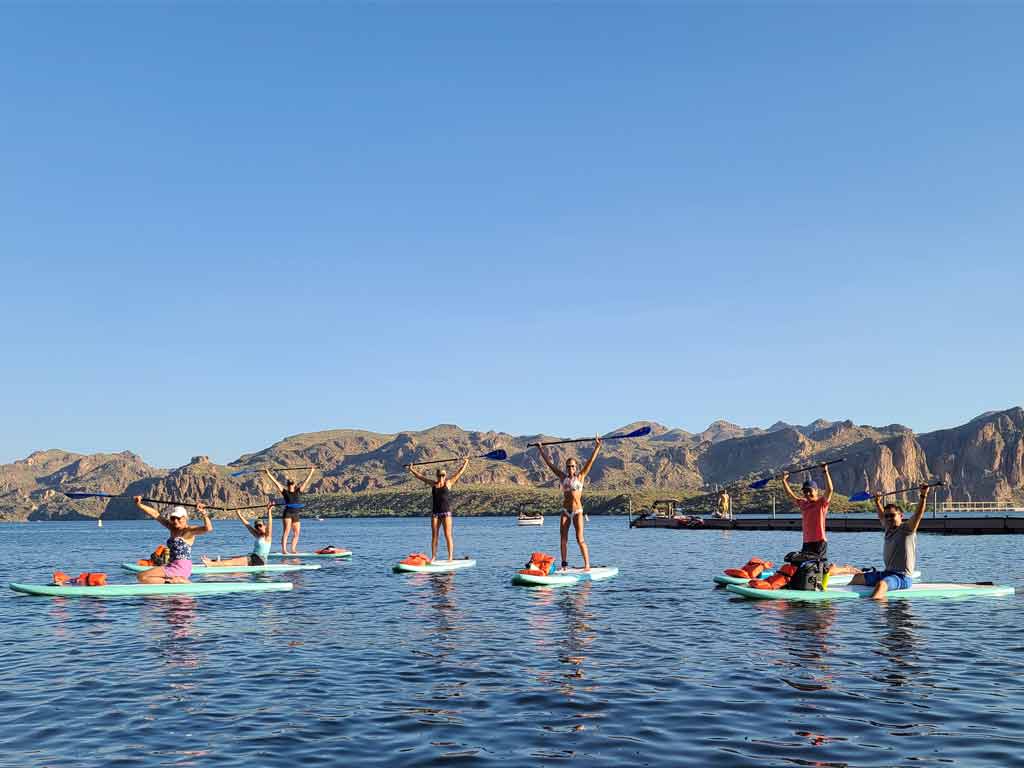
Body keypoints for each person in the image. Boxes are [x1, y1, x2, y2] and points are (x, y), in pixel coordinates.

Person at [843, 484, 930, 599]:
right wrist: (877, 502)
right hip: (887, 573)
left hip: (902, 577)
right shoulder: (888, 528)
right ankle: (845, 598)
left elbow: (918, 514)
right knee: (857, 577)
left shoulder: (907, 529)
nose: (888, 518)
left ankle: (877, 611)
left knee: (882, 585)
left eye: (892, 515)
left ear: (901, 516)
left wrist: (923, 495)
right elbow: (881, 516)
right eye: (887, 516)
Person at [536, 437, 602, 571]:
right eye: (568, 466)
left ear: (575, 467)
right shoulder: (562, 477)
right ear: (566, 467)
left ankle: (587, 565)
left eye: (572, 466)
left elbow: (590, 462)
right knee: (563, 539)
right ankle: (564, 565)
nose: (570, 468)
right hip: (565, 511)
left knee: (580, 539)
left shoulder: (581, 476)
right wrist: (541, 450)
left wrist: (597, 446)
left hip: (578, 511)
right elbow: (550, 464)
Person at [133, 496, 212, 584]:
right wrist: (139, 505)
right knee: (142, 577)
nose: (175, 521)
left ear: (185, 518)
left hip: (181, 567)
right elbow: (155, 514)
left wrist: (203, 513)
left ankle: (178, 581)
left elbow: (208, 528)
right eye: (173, 518)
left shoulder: (189, 530)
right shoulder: (172, 528)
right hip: (171, 565)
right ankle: (173, 581)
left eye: (178, 518)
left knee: (141, 576)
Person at [406, 458, 470, 562]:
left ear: (445, 476)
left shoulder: (449, 483)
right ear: (437, 475)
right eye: (440, 475)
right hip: (435, 513)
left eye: (443, 475)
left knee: (447, 535)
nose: (441, 477)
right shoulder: (433, 484)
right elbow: (420, 477)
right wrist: (411, 469)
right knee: (434, 536)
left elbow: (459, 473)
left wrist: (466, 462)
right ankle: (434, 557)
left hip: (446, 513)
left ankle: (450, 558)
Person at [781, 464, 834, 559]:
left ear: (816, 491)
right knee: (805, 566)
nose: (807, 494)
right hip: (807, 542)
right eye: (805, 492)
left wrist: (825, 471)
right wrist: (784, 480)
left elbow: (830, 490)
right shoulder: (803, 504)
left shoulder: (822, 503)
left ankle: (846, 569)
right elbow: (790, 495)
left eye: (809, 491)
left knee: (819, 567)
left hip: (819, 542)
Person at [201, 503, 274, 567]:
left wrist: (269, 511)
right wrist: (238, 514)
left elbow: (270, 524)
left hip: (259, 560)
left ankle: (212, 565)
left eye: (260, 525)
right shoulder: (257, 536)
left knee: (233, 562)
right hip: (253, 557)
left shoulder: (268, 537)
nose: (258, 528)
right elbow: (247, 525)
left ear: (265, 526)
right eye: (256, 526)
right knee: (234, 559)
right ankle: (213, 561)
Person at [263, 467, 315, 554]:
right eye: (289, 484)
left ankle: (293, 549)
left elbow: (306, 481)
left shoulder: (298, 491)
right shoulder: (285, 492)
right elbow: (276, 483)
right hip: (288, 513)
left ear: (294, 485)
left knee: (297, 533)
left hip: (296, 514)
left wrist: (311, 471)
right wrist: (268, 473)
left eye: (292, 484)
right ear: (288, 485)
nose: (291, 485)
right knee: (286, 531)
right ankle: (284, 550)